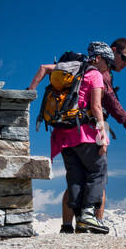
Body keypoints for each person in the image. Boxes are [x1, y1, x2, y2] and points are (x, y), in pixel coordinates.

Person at [29, 43, 114, 234]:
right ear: (98, 58)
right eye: (107, 63)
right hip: (85, 134)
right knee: (97, 172)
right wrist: (103, 136)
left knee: (75, 178)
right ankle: (88, 216)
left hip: (62, 136)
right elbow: (96, 107)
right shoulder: (94, 75)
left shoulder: (70, 69)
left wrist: (29, 91)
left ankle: (75, 221)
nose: (107, 68)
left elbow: (43, 68)